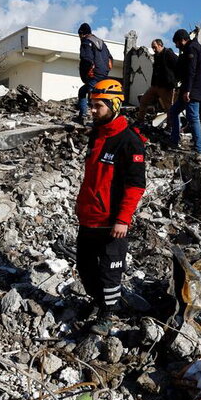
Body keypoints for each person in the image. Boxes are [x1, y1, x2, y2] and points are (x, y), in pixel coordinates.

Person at [75, 79, 146, 336]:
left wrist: (123, 219)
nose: (91, 110)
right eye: (91, 105)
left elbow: (136, 185)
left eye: (98, 106)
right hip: (89, 217)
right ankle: (98, 302)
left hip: (112, 222)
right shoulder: (97, 134)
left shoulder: (130, 142)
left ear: (114, 105)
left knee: (109, 271)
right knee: (85, 266)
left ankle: (108, 314)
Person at [169, 29, 201, 154]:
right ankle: (174, 140)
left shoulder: (192, 49)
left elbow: (191, 71)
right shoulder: (194, 48)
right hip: (189, 89)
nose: (176, 46)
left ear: (182, 40)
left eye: (177, 43)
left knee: (193, 118)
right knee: (174, 111)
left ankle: (198, 149)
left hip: (192, 90)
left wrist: (188, 91)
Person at [77, 23, 113, 125]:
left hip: (93, 75)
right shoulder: (102, 43)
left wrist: (85, 73)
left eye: (79, 35)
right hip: (103, 75)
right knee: (82, 91)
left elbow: (86, 59)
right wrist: (105, 70)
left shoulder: (86, 41)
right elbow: (110, 59)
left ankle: (92, 120)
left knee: (94, 98)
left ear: (82, 33)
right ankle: (82, 115)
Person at [137, 39, 178, 126]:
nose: (154, 50)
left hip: (166, 86)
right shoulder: (156, 56)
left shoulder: (168, 53)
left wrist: (173, 81)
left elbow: (178, 66)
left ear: (160, 45)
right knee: (143, 100)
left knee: (168, 108)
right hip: (156, 85)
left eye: (155, 47)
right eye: (152, 48)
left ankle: (170, 126)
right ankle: (140, 121)